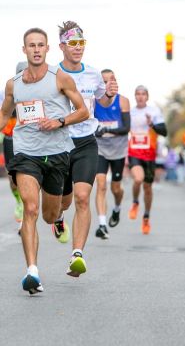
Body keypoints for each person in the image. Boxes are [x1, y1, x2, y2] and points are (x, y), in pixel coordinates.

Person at [0, 27, 89, 295]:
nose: (36, 49)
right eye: (31, 45)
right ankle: (32, 271)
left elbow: (83, 111)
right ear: (24, 50)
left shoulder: (60, 78)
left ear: (47, 49)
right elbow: (5, 111)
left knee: (49, 214)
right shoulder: (14, 84)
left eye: (40, 45)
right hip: (26, 152)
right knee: (30, 208)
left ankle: (59, 219)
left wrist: (59, 121)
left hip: (56, 153)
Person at [52, 22, 118, 254]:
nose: (78, 48)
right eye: (73, 44)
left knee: (82, 197)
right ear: (62, 46)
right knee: (65, 200)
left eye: (81, 43)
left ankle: (77, 254)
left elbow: (103, 102)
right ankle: (59, 217)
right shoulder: (53, 74)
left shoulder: (92, 74)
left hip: (86, 142)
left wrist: (109, 95)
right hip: (60, 143)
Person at [0, 61, 27, 227]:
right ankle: (18, 201)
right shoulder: (6, 91)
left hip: (31, 138)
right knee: (12, 177)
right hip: (11, 137)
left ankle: (27, 208)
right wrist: (9, 111)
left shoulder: (40, 89)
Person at [93, 69, 130, 239]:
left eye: (110, 80)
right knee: (101, 184)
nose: (107, 83)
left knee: (116, 188)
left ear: (115, 81)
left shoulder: (123, 101)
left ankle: (116, 208)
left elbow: (126, 128)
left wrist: (108, 129)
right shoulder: (94, 101)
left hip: (118, 150)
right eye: (104, 81)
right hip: (100, 148)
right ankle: (102, 224)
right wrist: (96, 131)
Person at [127, 85, 167, 234]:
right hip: (134, 153)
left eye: (143, 94)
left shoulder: (154, 112)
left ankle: (146, 217)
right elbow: (124, 131)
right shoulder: (130, 112)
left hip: (149, 155)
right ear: (135, 96)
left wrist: (151, 124)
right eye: (138, 94)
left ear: (147, 96)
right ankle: (135, 202)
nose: (140, 96)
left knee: (148, 188)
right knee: (138, 179)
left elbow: (164, 132)